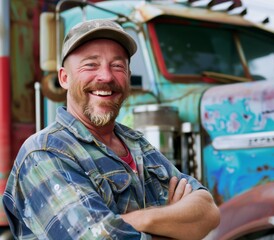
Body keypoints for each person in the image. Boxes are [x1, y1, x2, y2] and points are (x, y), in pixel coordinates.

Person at [3, 19, 220, 239]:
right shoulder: (45, 153)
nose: (106, 77)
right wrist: (175, 225)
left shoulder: (136, 144)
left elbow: (209, 211)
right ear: (64, 78)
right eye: (91, 65)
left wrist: (145, 218)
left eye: (117, 66)